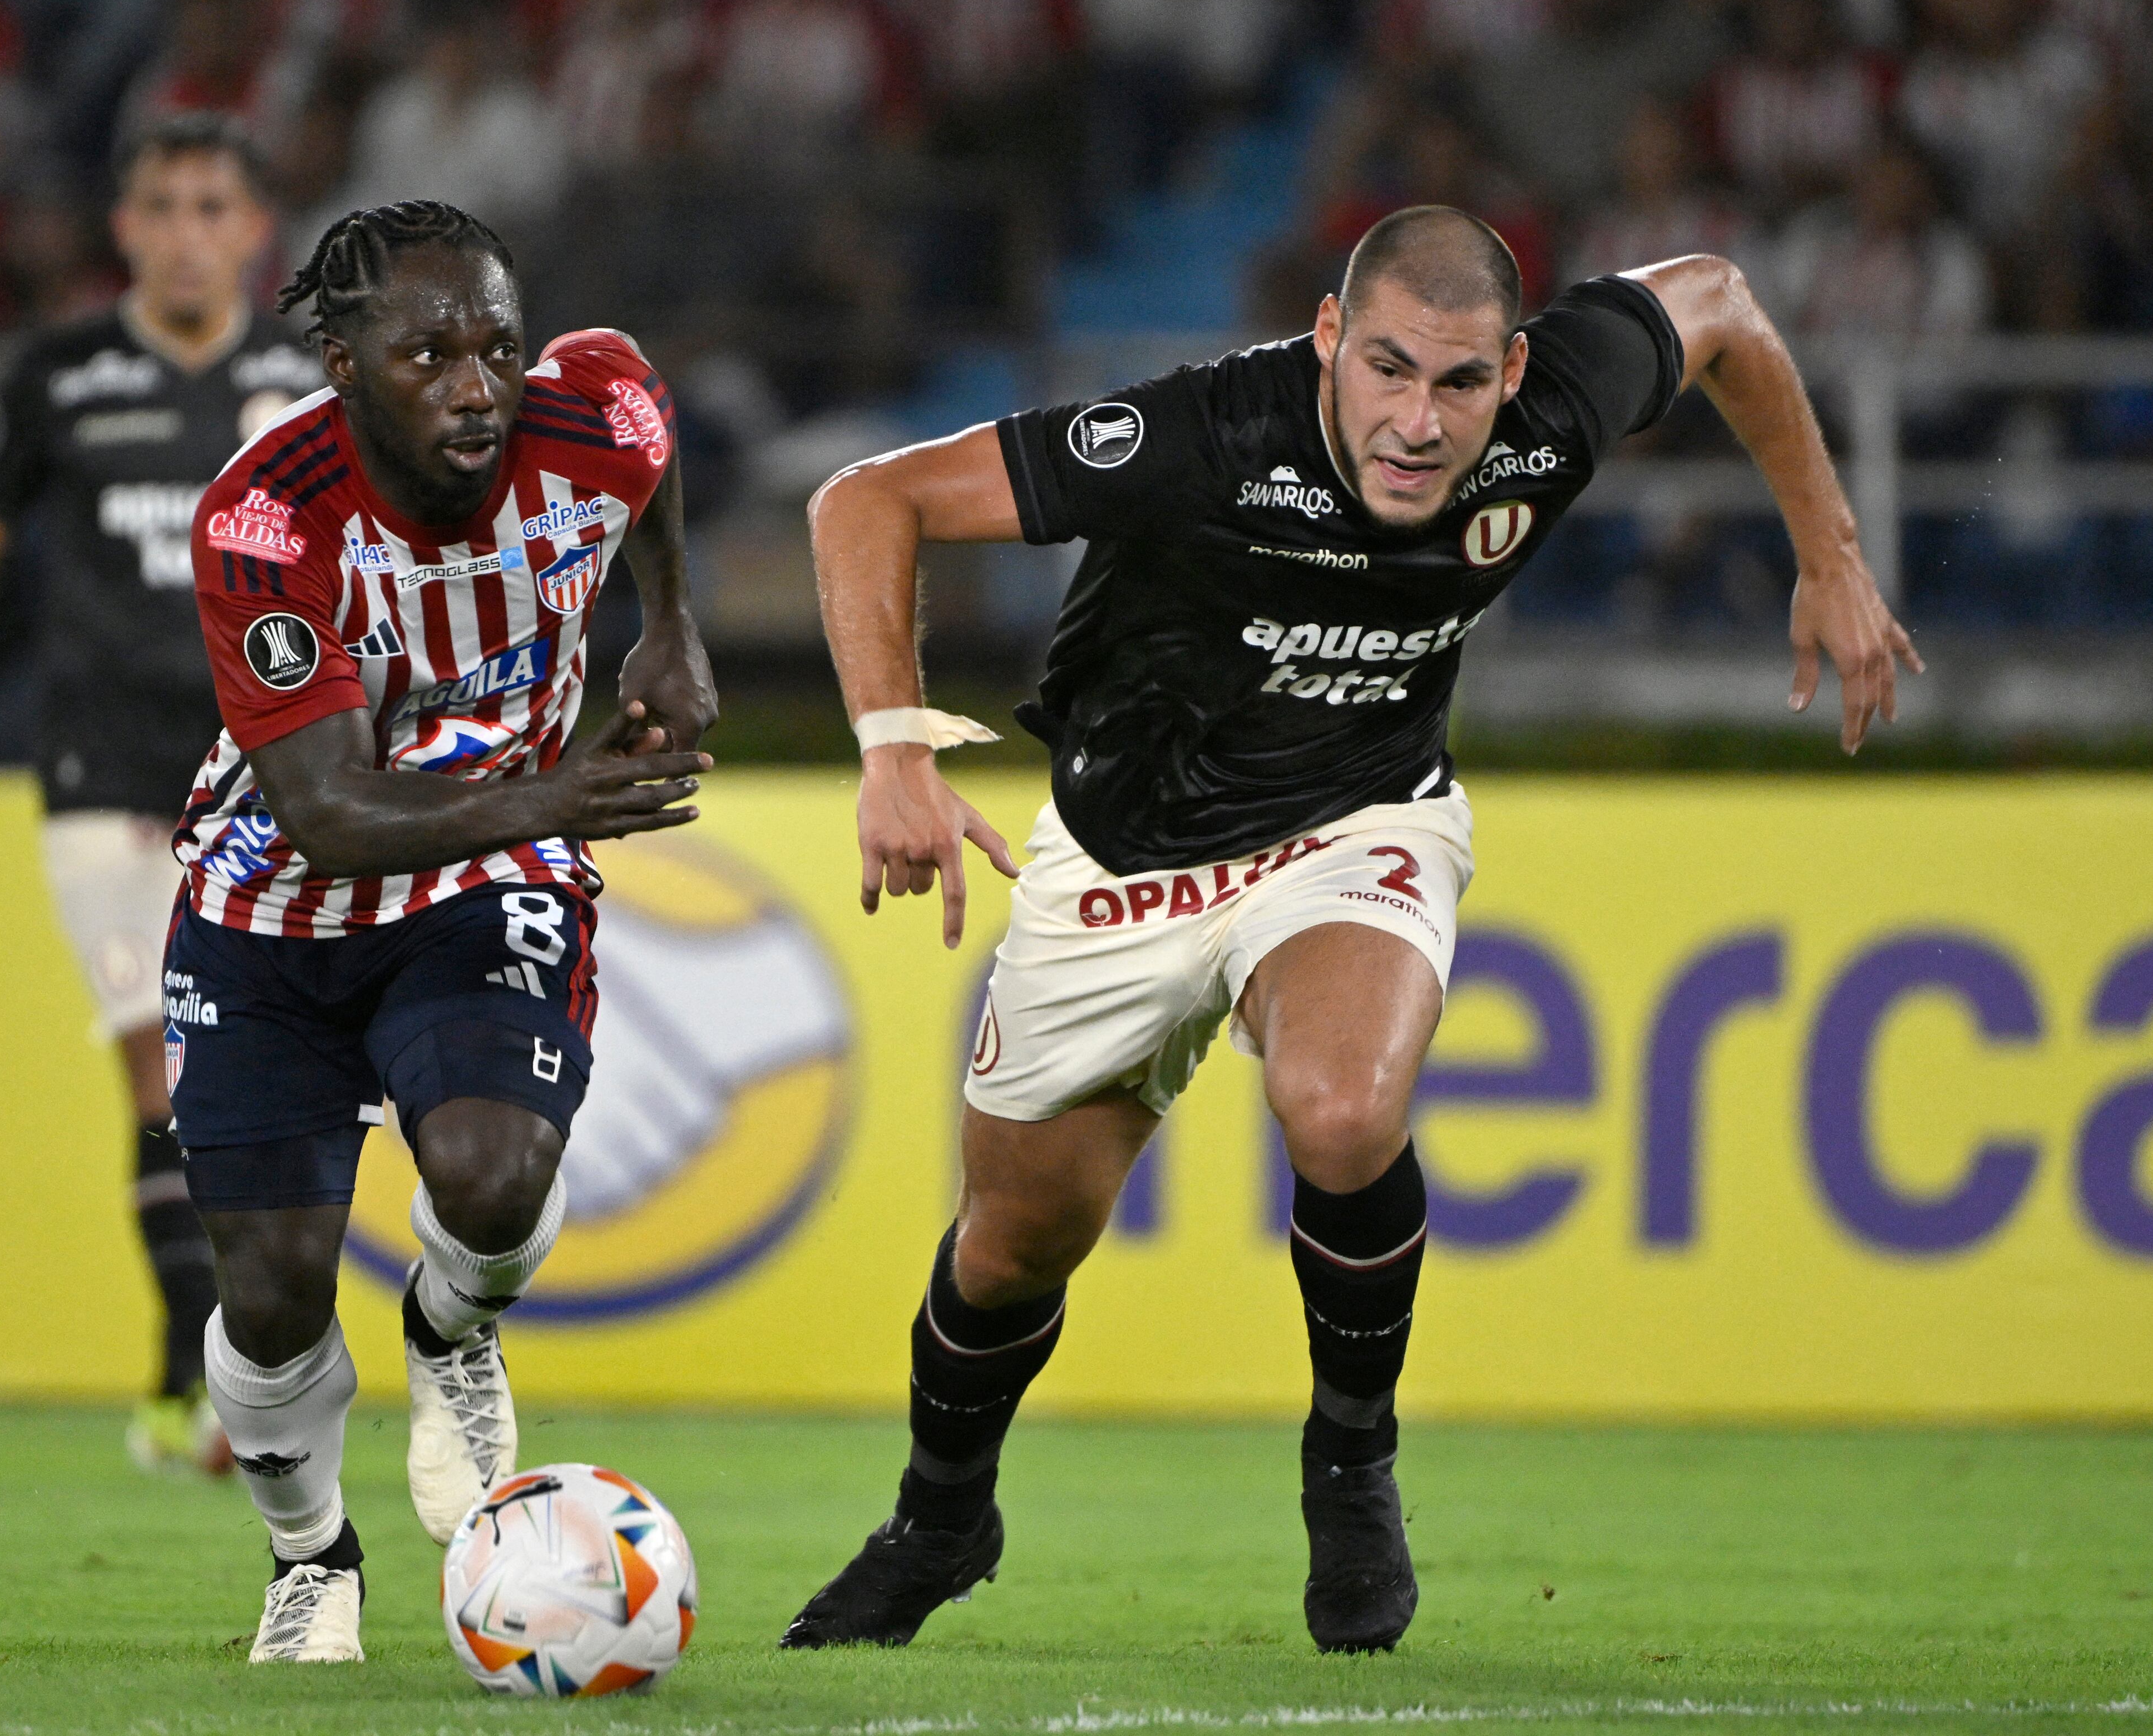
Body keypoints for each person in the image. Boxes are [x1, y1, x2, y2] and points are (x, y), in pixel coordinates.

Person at [784, 205, 1919, 1654]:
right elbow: (864, 500)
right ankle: (941, 1518)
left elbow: (1721, 306)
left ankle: (1350, 1461)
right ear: (1327, 340)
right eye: (1385, 368)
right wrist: (894, 744)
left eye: (1456, 383)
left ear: (1511, 374)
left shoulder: (1556, 407)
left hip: (1354, 821)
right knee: (1013, 1239)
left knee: (1337, 1107)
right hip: (1121, 858)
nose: (1414, 421)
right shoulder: (1201, 433)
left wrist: (1830, 554)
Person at [167, 199, 714, 1663]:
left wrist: (668, 625)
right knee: (271, 1294)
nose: (479, 384)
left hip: (479, 879)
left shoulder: (582, 424)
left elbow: (640, 411)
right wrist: (558, 787)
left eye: (497, 345)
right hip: (271, 903)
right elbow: (331, 812)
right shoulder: (264, 515)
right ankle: (310, 1556)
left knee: (487, 1174)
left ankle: (453, 1328)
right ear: (340, 362)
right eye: (430, 353)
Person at [0, 112, 321, 1473]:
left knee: (268, 1092)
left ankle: (186, 1380)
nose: (186, 229)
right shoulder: (58, 377)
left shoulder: (310, 388)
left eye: (212, 205)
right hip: (105, 780)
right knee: (167, 1061)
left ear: (256, 230)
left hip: (275, 782)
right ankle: (212, 1400)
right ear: (123, 228)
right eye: (160, 204)